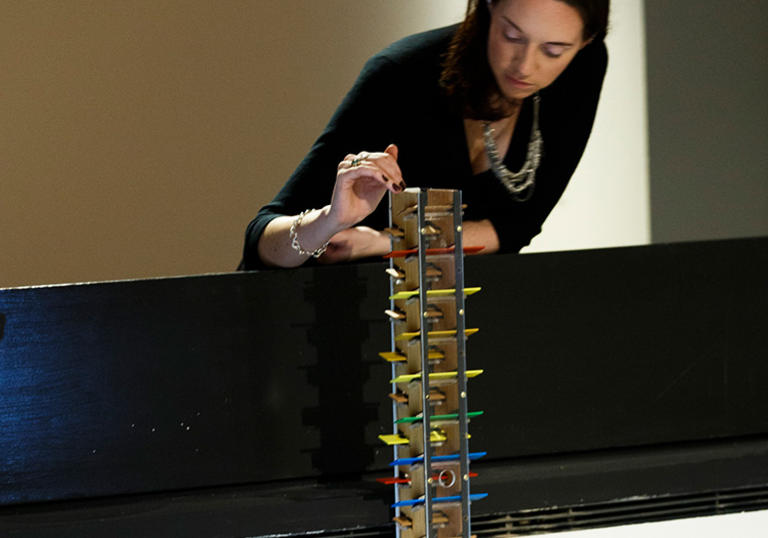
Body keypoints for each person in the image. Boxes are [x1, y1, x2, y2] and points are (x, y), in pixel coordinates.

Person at [239, 0, 609, 270]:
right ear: (488, 7)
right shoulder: (400, 76)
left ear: (586, 41)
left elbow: (516, 228)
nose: (526, 65)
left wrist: (387, 242)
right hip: (327, 320)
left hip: (448, 328)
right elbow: (262, 244)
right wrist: (329, 221)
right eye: (512, 36)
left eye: (553, 50)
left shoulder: (582, 71)